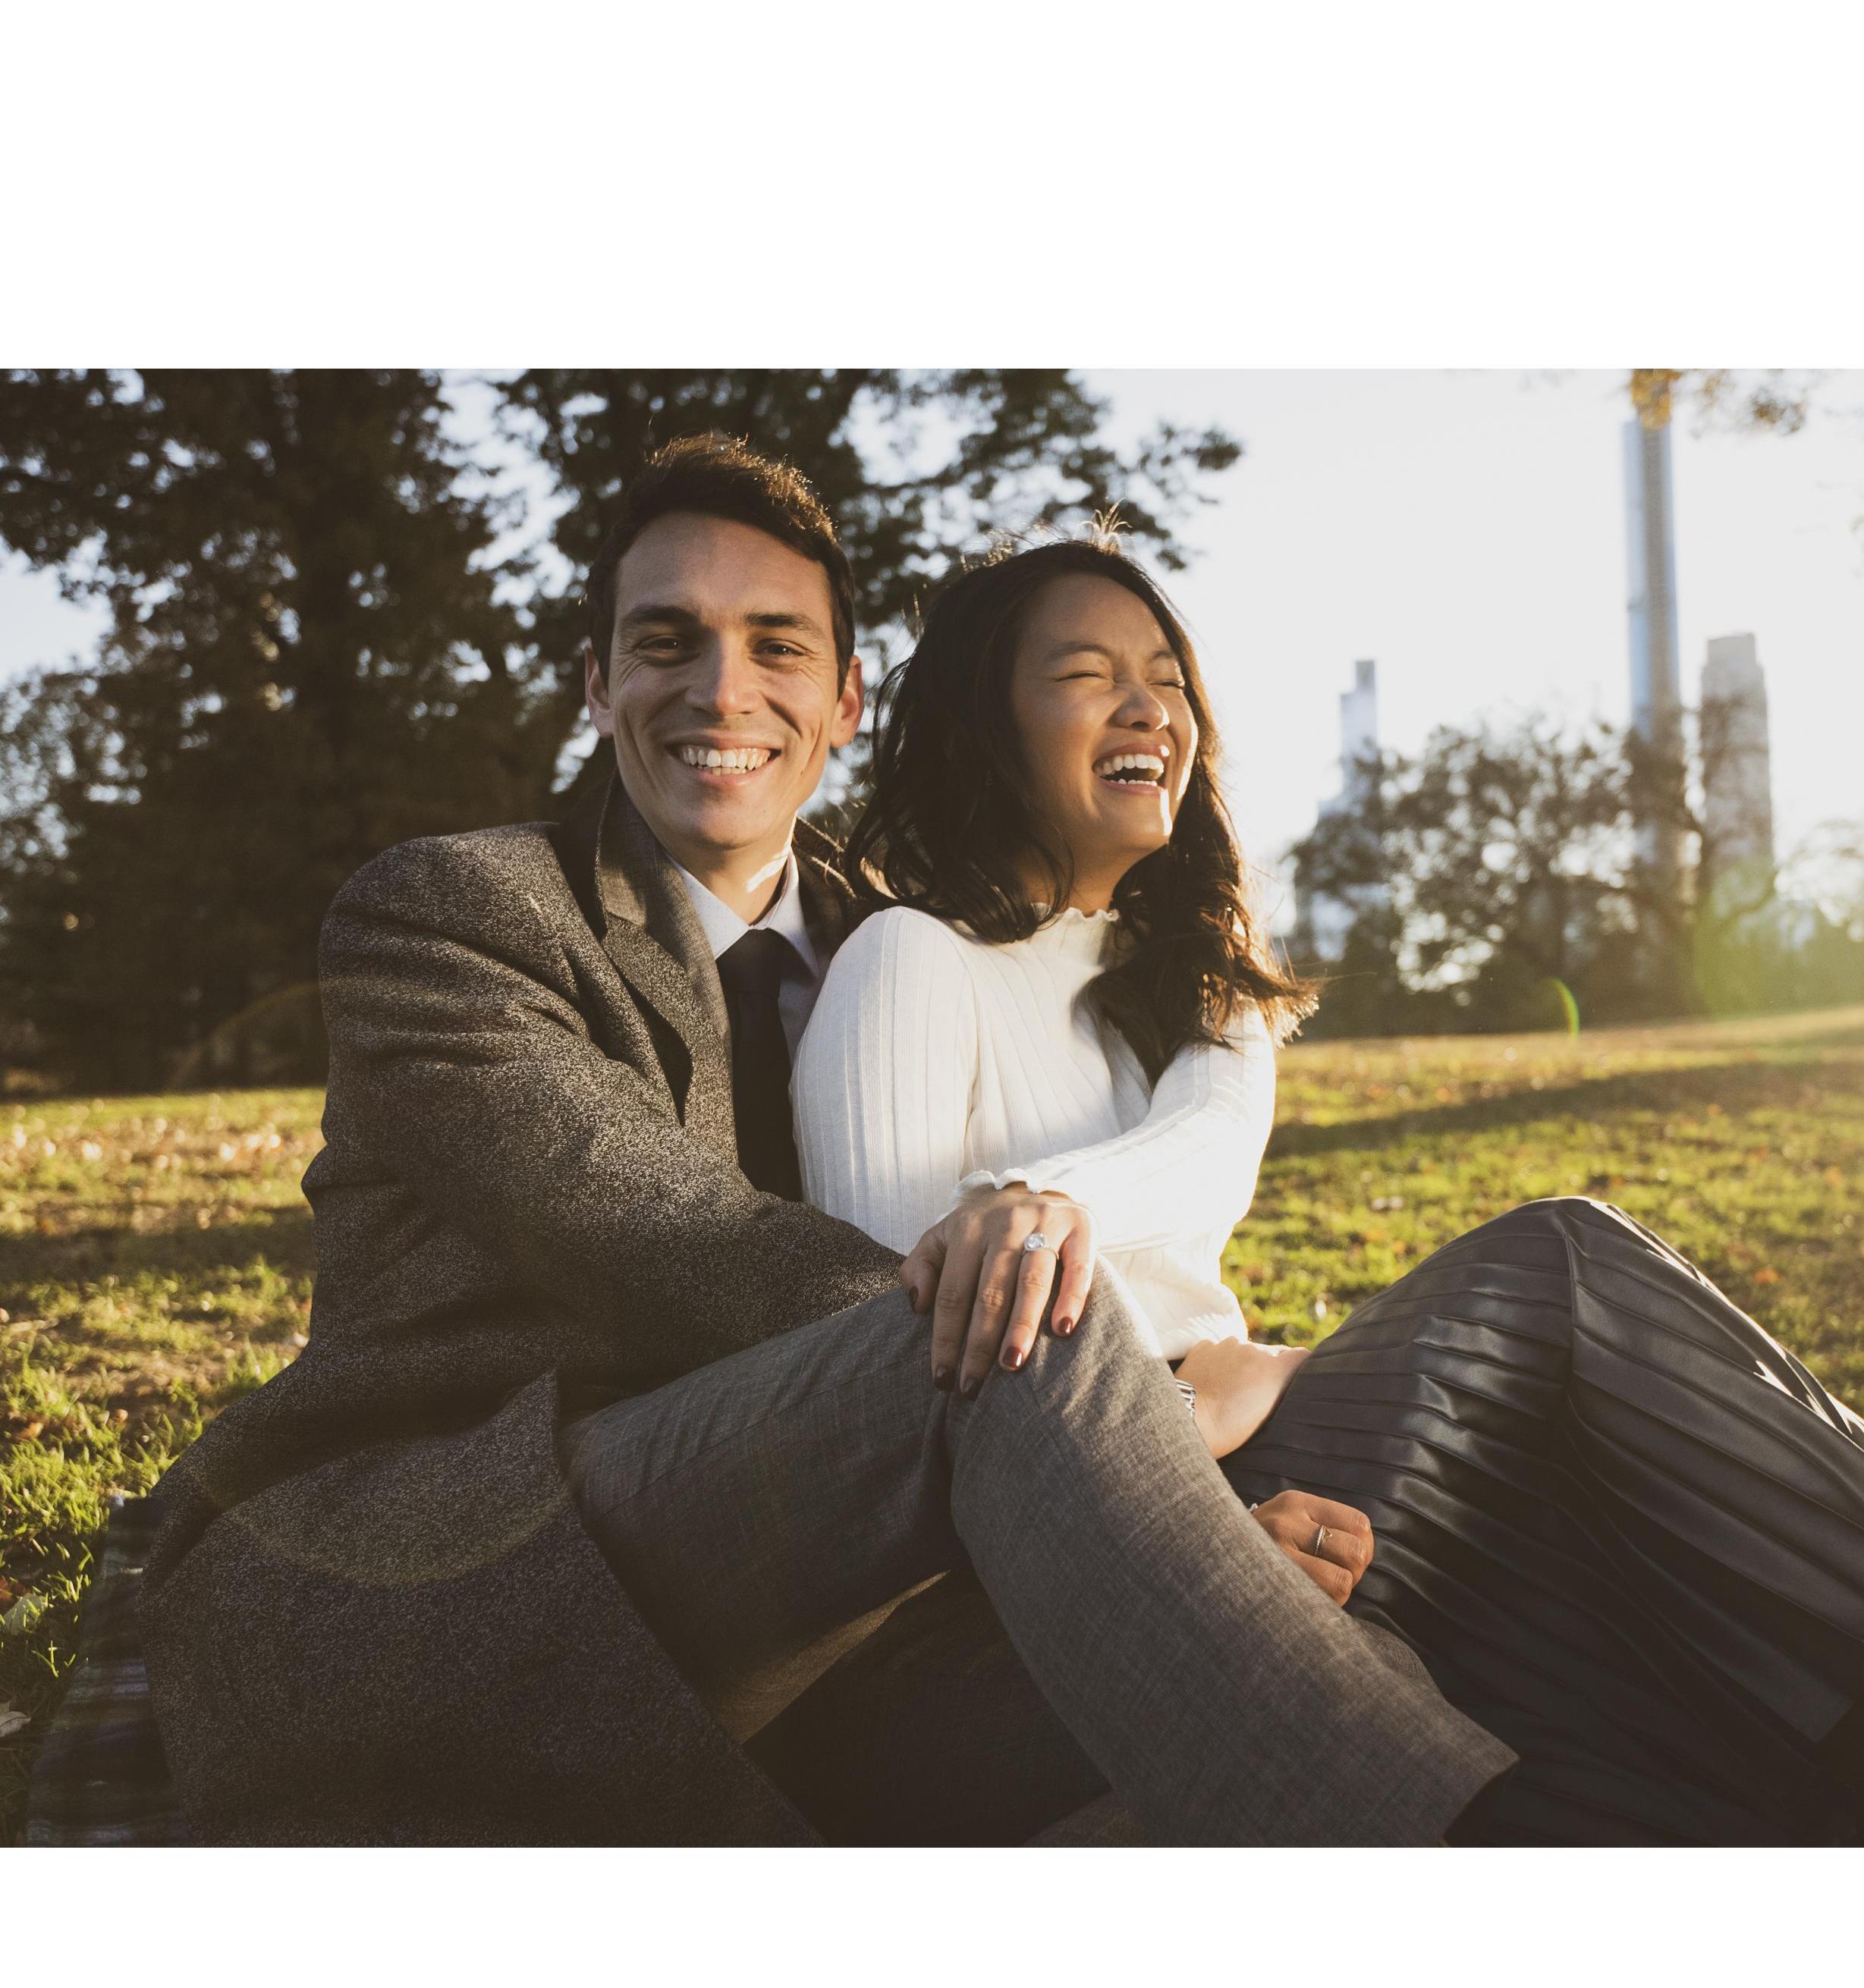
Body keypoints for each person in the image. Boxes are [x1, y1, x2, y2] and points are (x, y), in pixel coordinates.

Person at [133, 438, 1517, 1846]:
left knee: (1309, 1658)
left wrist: (1168, 1556)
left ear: (847, 697)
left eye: (776, 646)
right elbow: (676, 1238)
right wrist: (1146, 1431)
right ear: (597, 682)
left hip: (828, 1652)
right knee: (1007, 1320)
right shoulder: (453, 916)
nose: (722, 689)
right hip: (454, 1585)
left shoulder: (907, 944)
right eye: (665, 641)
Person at [792, 535, 1864, 1846]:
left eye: (1167, 679)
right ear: (985, 720)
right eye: (1085, 675)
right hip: (1122, 1515)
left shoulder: (1197, 987)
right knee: (1567, 1266)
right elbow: (907, 1372)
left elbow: (1205, 1150)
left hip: (1261, 1433)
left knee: (1700, 1441)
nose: (1146, 708)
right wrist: (1172, 1462)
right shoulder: (908, 962)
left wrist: (1145, 1283)